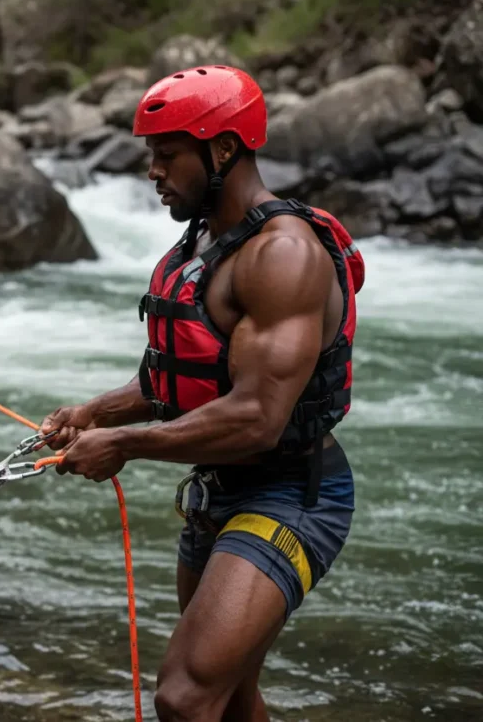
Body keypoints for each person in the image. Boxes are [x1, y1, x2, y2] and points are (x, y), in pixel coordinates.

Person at [40, 65, 366, 722]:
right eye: (149, 156)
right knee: (231, 695)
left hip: (293, 495)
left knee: (185, 697)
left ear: (221, 149)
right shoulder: (205, 244)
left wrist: (124, 443)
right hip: (218, 492)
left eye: (166, 156)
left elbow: (257, 418)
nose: (152, 172)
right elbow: (180, 377)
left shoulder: (282, 257)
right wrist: (94, 414)